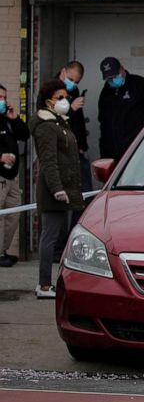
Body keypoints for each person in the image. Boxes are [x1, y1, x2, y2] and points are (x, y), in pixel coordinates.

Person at [29, 80, 84, 298]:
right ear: (48, 101)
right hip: (56, 190)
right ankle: (44, 285)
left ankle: (53, 282)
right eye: (59, 97)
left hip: (66, 187)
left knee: (58, 235)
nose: (65, 101)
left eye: (66, 97)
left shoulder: (60, 123)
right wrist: (57, 188)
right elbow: (48, 161)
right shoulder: (46, 126)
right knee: (50, 236)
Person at [97, 57, 144, 162]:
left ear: (121, 69)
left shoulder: (140, 85)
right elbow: (104, 123)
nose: (112, 81)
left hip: (138, 150)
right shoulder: (106, 92)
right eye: (109, 79)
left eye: (115, 76)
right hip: (113, 154)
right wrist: (104, 154)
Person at [0, 84, 29, 268]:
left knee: (12, 215)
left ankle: (3, 250)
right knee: (0, 216)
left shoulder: (7, 120)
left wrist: (15, 118)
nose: (2, 100)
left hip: (12, 176)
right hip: (0, 176)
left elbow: (25, 135)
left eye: (3, 97)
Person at [57, 61, 91, 192]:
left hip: (76, 148)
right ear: (63, 71)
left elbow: (78, 121)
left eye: (76, 82)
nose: (73, 84)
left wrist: (82, 145)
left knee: (84, 190)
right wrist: (71, 108)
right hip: (61, 149)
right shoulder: (50, 90)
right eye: (70, 79)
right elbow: (51, 119)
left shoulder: (74, 90)